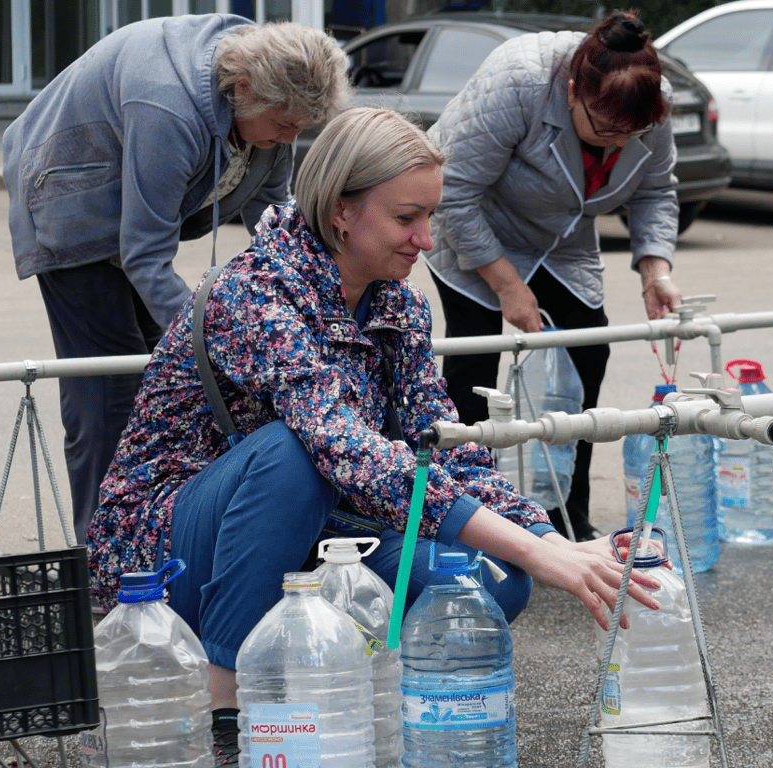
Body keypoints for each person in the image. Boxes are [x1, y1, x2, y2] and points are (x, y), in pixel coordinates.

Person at [85, 107, 662, 765]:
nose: (426, 240)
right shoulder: (255, 291)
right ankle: (228, 707)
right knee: (291, 451)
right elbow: (338, 445)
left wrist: (551, 543)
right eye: (406, 218)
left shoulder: (399, 305)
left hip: (308, 529)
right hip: (169, 551)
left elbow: (446, 452)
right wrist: (534, 548)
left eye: (431, 218)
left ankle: (346, 683)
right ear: (340, 212)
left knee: (487, 579)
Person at [1, 16, 350, 543]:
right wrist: (215, 336)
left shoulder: (273, 97)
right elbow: (144, 253)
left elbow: (274, 215)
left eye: (300, 129)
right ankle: (107, 562)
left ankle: (158, 536)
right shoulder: (168, 105)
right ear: (244, 89)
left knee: (163, 385)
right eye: (284, 125)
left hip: (135, 205)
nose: (289, 139)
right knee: (110, 393)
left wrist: (311, 297)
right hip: (68, 199)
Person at [423, 11, 685, 542]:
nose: (615, 147)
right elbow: (452, 192)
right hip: (477, 225)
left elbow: (657, 190)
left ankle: (566, 509)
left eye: (627, 136)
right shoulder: (519, 79)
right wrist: (506, 286)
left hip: (563, 240)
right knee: (475, 365)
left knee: (588, 354)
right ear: (572, 92)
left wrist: (654, 269)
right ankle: (467, 517)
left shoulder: (651, 104)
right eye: (605, 131)